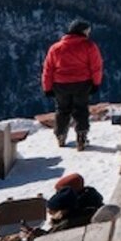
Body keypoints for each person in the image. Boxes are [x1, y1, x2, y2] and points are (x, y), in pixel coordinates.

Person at [41, 19, 103, 151]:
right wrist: (96, 83)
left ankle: (60, 135)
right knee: (81, 110)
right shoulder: (89, 46)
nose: (88, 33)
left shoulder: (55, 48)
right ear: (82, 31)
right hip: (82, 83)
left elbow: (48, 69)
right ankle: (81, 137)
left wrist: (47, 87)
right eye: (87, 31)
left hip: (60, 84)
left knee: (62, 110)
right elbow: (96, 67)